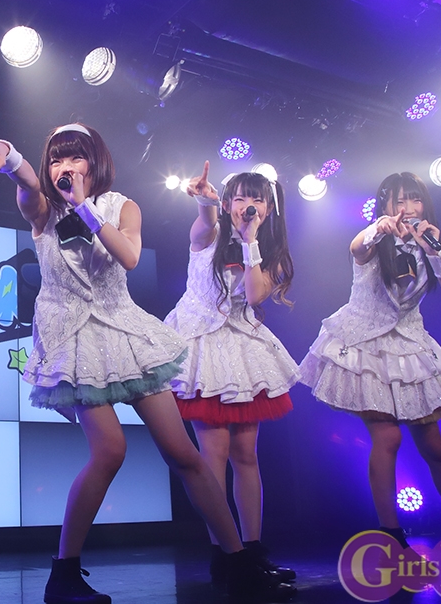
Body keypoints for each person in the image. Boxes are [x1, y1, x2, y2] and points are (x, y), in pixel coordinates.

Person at [0, 124, 294, 604]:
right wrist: (11, 160)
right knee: (110, 451)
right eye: (57, 159)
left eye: (75, 158)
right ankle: (64, 574)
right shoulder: (43, 209)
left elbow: (129, 257)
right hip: (74, 339)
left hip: (125, 333)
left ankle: (238, 561)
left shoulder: (122, 207)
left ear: (95, 162)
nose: (65, 167)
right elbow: (28, 187)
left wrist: (85, 206)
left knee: (184, 454)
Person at [295, 172, 441, 548]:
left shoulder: (436, 245)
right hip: (366, 346)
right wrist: (377, 229)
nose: (408, 208)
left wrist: (434, 251)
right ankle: (391, 536)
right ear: (385, 205)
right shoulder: (372, 240)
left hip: (410, 347)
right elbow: (357, 247)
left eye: (414, 200)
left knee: (434, 444)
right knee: (387, 438)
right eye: (399, 201)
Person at [164, 163, 298, 584]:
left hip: (241, 348)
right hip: (202, 346)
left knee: (246, 455)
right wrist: (205, 201)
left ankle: (252, 549)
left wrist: (250, 241)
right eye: (239, 198)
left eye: (257, 199)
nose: (247, 205)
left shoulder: (268, 253)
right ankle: (224, 550)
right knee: (213, 455)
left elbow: (255, 295)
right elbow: (204, 221)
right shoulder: (209, 234)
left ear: (269, 208)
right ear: (227, 203)